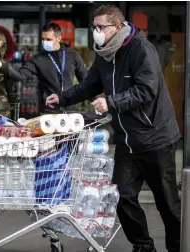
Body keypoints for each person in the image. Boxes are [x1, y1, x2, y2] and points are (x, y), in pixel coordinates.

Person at [46, 5, 181, 252]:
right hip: (127, 141)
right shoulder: (104, 54)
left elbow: (146, 89)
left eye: (101, 27)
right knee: (121, 197)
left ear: (117, 27)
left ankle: (179, 246)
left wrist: (110, 102)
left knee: (168, 202)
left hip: (156, 138)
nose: (96, 32)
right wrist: (63, 98)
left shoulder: (140, 49)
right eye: (94, 27)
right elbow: (89, 85)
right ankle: (143, 245)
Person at [0, 22, 89, 114]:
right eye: (43, 39)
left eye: (49, 39)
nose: (45, 42)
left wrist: (96, 99)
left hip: (71, 109)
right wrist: (1, 65)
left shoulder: (72, 55)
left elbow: (85, 79)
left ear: (59, 38)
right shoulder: (38, 59)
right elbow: (20, 75)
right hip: (49, 110)